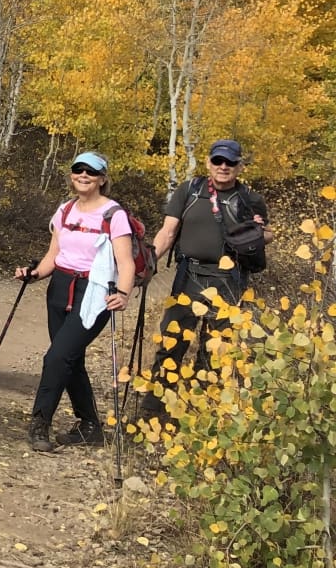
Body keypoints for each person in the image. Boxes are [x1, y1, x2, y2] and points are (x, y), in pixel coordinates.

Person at [139, 139, 269, 421]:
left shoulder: (250, 200)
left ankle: (199, 412)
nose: (224, 167)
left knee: (216, 348)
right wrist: (149, 263)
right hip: (189, 276)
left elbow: (266, 235)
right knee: (171, 339)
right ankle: (154, 409)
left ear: (239, 166)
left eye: (230, 163)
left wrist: (256, 235)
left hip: (230, 280)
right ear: (209, 163)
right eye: (218, 161)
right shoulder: (190, 191)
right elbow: (168, 231)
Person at [14, 152, 136, 452]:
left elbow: (126, 261)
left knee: (56, 358)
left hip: (94, 292)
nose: (84, 175)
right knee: (70, 359)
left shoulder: (114, 214)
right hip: (60, 287)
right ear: (71, 175)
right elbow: (54, 253)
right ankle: (90, 426)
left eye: (91, 172)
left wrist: (122, 293)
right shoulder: (65, 210)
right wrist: (35, 273)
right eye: (78, 170)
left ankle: (40, 423)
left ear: (102, 179)